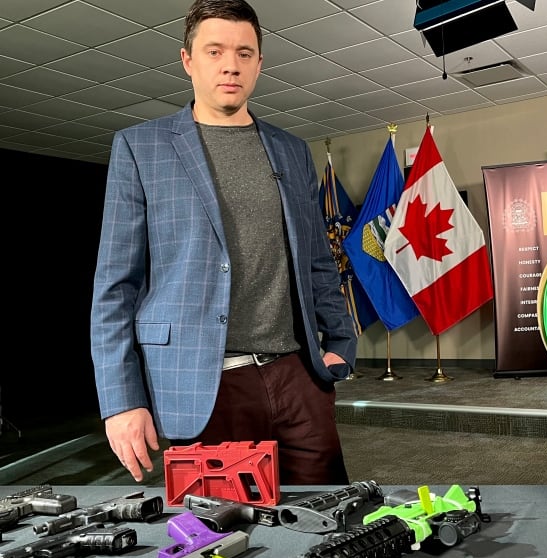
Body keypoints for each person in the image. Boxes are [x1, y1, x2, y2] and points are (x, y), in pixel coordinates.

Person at [90, 0, 357, 486]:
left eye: (244, 52)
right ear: (188, 60)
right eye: (214, 51)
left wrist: (341, 340)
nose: (230, 64)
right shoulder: (139, 148)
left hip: (297, 378)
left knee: (330, 519)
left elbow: (318, 260)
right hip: (201, 387)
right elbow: (115, 287)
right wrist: (122, 399)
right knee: (223, 543)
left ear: (259, 63)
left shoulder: (292, 151)